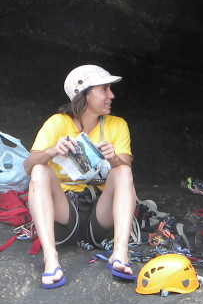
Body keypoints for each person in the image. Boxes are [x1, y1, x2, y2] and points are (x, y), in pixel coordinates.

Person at [23, 64, 137, 289]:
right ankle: (51, 260)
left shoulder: (117, 125)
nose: (111, 95)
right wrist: (52, 151)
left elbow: (125, 170)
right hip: (65, 213)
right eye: (104, 89)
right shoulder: (58, 123)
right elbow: (27, 166)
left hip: (100, 214)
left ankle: (120, 252)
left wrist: (113, 158)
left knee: (122, 170)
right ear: (84, 94)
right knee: (39, 170)